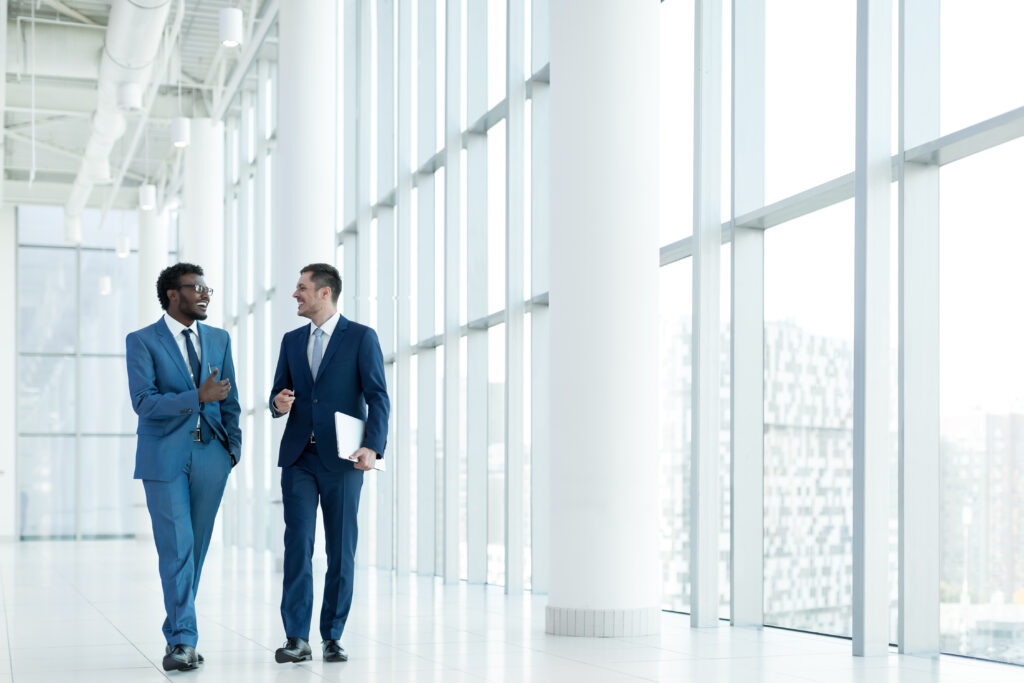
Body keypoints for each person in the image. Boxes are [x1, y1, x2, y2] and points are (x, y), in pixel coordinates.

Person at [269, 263, 389, 664]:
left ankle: (332, 635)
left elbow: (378, 396)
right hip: (299, 457)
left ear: (325, 293)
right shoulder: (290, 341)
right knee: (297, 546)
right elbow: (277, 393)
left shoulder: (360, 337)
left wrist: (373, 446)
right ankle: (296, 638)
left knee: (341, 549)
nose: (295, 294)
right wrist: (277, 404)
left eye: (301, 287)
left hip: (343, 460)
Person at [125, 263, 241, 672]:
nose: (206, 294)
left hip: (212, 455)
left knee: (196, 549)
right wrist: (197, 396)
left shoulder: (220, 339)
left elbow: (230, 400)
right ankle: (183, 640)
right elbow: (144, 402)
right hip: (164, 458)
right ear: (173, 294)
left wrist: (232, 450)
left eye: (209, 288)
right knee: (177, 548)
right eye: (198, 288)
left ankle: (179, 627)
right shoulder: (142, 341)